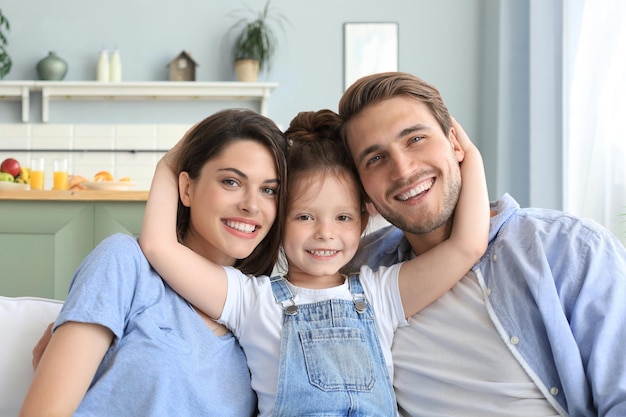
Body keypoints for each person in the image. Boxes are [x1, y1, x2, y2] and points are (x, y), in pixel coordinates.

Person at [139, 109, 489, 416]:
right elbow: (158, 245)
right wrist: (169, 163)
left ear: (363, 222)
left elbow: (467, 245)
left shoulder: (381, 293)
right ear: (278, 220)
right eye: (305, 217)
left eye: (343, 218)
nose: (325, 234)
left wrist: (469, 154)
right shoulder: (249, 300)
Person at [338, 71, 626, 416]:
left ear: (456, 144)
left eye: (415, 139)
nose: (403, 170)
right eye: (375, 158)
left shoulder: (572, 249)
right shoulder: (357, 274)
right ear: (363, 188)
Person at [19, 108, 289, 417]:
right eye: (231, 182)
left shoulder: (261, 312)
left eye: (269, 190)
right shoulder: (125, 263)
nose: (251, 205)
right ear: (186, 188)